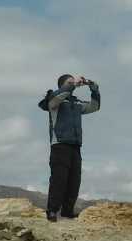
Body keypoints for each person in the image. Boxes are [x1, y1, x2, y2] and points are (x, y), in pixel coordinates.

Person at [37, 74, 100, 222]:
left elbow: (95, 107)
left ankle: (67, 211)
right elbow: (55, 99)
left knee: (74, 180)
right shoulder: (54, 99)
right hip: (59, 144)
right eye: (69, 82)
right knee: (59, 179)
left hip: (75, 145)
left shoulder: (76, 103)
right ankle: (52, 210)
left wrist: (93, 87)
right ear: (62, 85)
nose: (74, 83)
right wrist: (72, 84)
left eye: (74, 81)